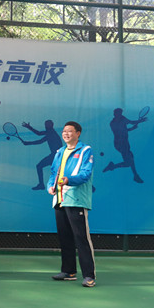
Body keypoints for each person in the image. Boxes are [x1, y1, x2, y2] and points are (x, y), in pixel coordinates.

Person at [46, 121, 96, 287]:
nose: (66, 134)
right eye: (64, 131)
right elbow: (53, 173)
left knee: (81, 238)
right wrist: (50, 186)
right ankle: (69, 271)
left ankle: (89, 275)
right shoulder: (59, 152)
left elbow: (85, 174)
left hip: (76, 200)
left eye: (69, 131)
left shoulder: (85, 150)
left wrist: (69, 180)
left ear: (78, 133)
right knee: (64, 237)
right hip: (59, 200)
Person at [104, 108, 145, 183]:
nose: (120, 114)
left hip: (124, 143)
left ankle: (135, 175)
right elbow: (124, 129)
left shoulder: (123, 119)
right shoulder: (113, 123)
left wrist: (133, 127)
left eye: (120, 113)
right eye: (118, 113)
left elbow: (125, 129)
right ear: (115, 114)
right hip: (120, 144)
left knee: (130, 158)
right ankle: (113, 167)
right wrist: (139, 121)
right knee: (129, 162)